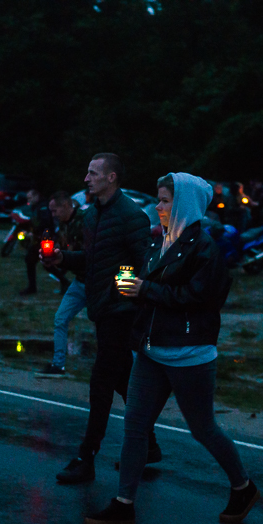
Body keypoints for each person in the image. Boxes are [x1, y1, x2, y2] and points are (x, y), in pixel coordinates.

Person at [84, 173, 258, 524]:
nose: (157, 207)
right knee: (134, 426)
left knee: (203, 428)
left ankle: (243, 486)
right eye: (158, 200)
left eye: (164, 201)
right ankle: (123, 504)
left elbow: (197, 300)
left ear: (184, 204)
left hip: (188, 354)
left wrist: (144, 290)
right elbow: (148, 284)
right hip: (151, 351)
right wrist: (128, 283)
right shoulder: (162, 241)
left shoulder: (204, 249)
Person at [41, 153, 161, 483]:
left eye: (93, 173)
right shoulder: (93, 215)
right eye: (87, 172)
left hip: (119, 314)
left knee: (101, 383)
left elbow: (142, 266)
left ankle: (86, 457)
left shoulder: (130, 216)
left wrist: (121, 291)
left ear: (111, 178)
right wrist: (63, 258)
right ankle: (148, 444)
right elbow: (93, 261)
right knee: (122, 380)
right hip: (102, 309)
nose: (86, 179)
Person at [38, 191, 86, 378]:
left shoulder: (84, 222)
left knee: (109, 328)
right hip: (79, 281)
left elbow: (85, 255)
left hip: (95, 282)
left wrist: (63, 259)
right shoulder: (63, 226)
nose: (53, 214)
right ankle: (58, 366)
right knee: (60, 318)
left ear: (66, 206)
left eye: (55, 210)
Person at [19, 188, 54, 295]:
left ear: (36, 196)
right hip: (39, 239)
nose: (28, 200)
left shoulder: (43, 207)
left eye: (30, 197)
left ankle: (32, 288)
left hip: (44, 239)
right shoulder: (36, 207)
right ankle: (32, 287)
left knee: (45, 263)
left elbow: (45, 223)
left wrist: (34, 232)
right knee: (33, 261)